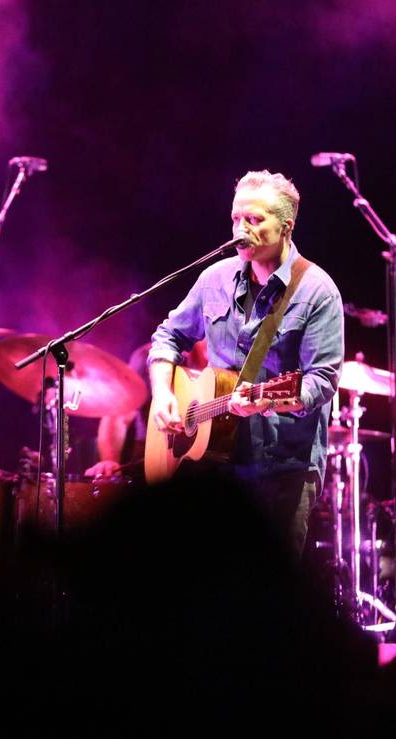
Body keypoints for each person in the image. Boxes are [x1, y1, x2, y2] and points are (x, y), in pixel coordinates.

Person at [148, 170, 343, 555]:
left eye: (254, 220)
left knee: (268, 601)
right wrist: (162, 393)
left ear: (286, 227)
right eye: (237, 218)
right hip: (212, 468)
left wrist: (268, 400)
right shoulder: (213, 279)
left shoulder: (318, 291)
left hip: (282, 470)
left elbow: (322, 380)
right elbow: (167, 338)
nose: (241, 229)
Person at [84, 340, 207, 480]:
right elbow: (118, 417)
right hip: (151, 466)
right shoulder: (152, 357)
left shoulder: (233, 359)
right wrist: (110, 460)